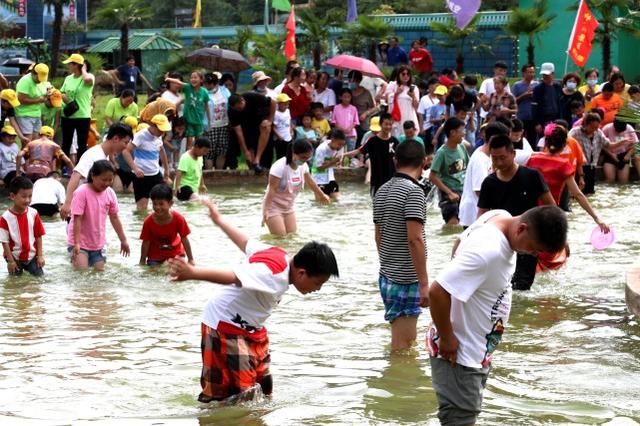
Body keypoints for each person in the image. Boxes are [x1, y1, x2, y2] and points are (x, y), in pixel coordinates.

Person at [167, 199, 339, 403]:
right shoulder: (272, 274)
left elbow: (245, 243)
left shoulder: (280, 255)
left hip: (250, 327)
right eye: (318, 283)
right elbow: (233, 276)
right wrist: (193, 273)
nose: (317, 289)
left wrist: (219, 220)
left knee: (263, 390)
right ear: (302, 273)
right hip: (224, 325)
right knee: (235, 396)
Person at [428, 206, 568, 425]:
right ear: (522, 228)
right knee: (460, 418)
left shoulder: (498, 216)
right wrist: (448, 338)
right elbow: (437, 291)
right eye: (532, 249)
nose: (531, 254)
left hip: (476, 346)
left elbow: (458, 243)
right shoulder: (488, 251)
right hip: (460, 351)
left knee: (465, 413)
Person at [477, 135, 555, 290]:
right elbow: (482, 216)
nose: (498, 163)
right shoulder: (489, 183)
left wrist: (557, 237)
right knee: (502, 286)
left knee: (522, 288)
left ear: (513, 154)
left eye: (503, 158)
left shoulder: (532, 176)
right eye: (494, 158)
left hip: (529, 239)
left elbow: (551, 207)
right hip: (502, 242)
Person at [373, 139, 429, 351]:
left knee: (401, 339)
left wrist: (389, 264)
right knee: (405, 344)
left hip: (387, 275)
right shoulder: (414, 192)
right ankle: (398, 382)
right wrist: (424, 284)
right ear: (424, 161)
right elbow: (414, 239)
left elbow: (378, 236)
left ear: (395, 161)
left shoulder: (382, 190)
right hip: (406, 278)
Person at [527, 124, 610, 234]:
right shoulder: (563, 164)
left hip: (528, 214)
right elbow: (578, 195)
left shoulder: (533, 159)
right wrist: (597, 218)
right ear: (565, 144)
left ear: (545, 142)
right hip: (549, 215)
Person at [60, 123, 133, 219]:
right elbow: (76, 175)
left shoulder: (104, 156)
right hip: (79, 209)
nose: (126, 146)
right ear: (115, 139)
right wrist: (67, 203)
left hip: (89, 208)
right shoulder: (93, 154)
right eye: (125, 142)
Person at [67, 160, 130, 271]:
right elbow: (77, 218)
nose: (107, 183)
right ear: (93, 176)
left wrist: (123, 240)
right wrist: (76, 243)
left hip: (98, 243)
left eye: (110, 180)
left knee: (99, 276)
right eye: (104, 179)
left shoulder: (110, 193)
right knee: (81, 275)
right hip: (79, 242)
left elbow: (114, 218)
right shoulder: (82, 192)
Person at [262, 139, 330, 236]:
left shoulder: (303, 166)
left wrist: (321, 195)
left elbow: (310, 182)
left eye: (308, 158)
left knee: (292, 238)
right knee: (280, 238)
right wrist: (265, 210)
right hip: (273, 207)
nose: (305, 160)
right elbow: (271, 190)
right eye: (302, 157)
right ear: (294, 153)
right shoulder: (279, 166)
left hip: (288, 207)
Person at [122, 114, 172, 212]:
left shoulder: (159, 136)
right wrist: (135, 169)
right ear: (152, 125)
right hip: (141, 177)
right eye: (160, 130)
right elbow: (126, 151)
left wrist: (166, 169)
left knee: (165, 203)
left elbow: (161, 150)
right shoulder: (140, 136)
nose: (162, 133)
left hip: (155, 174)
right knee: (142, 209)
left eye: (163, 130)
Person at [0, 176, 46, 276]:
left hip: (32, 255)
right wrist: (11, 262)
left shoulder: (34, 213)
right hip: (14, 257)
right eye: (24, 196)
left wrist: (40, 255)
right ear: (12, 196)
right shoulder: (5, 218)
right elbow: (4, 242)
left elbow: (38, 235)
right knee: (15, 283)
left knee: (40, 279)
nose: (27, 200)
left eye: (30, 196)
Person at [568, 112, 623, 194]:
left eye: (597, 127)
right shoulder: (575, 132)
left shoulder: (598, 132)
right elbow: (566, 143)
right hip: (579, 167)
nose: (595, 129)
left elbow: (609, 145)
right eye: (593, 127)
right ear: (586, 124)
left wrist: (621, 143)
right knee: (577, 193)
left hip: (592, 167)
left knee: (590, 193)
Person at [140, 184, 194, 266]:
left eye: (161, 204)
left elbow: (184, 238)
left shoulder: (179, 219)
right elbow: (145, 242)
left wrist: (191, 259)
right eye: (154, 204)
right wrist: (142, 261)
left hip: (175, 252)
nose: (157, 207)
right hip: (155, 255)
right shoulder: (148, 222)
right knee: (153, 273)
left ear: (170, 203)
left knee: (177, 270)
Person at [429, 117, 469, 225]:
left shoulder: (461, 147)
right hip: (448, 195)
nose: (464, 134)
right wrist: (450, 193)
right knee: (452, 226)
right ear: (453, 132)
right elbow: (432, 176)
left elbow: (468, 168)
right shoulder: (442, 153)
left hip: (462, 192)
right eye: (462, 131)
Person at [228, 92, 276, 173]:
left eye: (239, 108)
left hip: (260, 121)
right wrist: (245, 151)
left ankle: (258, 158)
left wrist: (270, 120)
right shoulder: (232, 111)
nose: (238, 110)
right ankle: (253, 166)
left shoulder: (252, 97)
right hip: (246, 127)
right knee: (250, 160)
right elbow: (238, 132)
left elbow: (273, 102)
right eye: (236, 109)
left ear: (242, 101)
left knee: (266, 127)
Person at [60, 54, 95, 161]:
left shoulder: (88, 76)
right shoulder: (68, 78)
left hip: (82, 115)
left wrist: (83, 69)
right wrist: (66, 99)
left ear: (76, 65)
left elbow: (88, 80)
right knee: (66, 143)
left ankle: (81, 166)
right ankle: (65, 167)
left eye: (70, 64)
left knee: (82, 144)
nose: (68, 66)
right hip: (68, 115)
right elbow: (62, 92)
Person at [165, 72, 212, 150]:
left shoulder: (204, 92)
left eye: (195, 77)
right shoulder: (188, 88)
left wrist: (210, 121)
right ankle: (188, 158)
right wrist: (168, 78)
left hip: (199, 121)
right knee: (189, 140)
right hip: (188, 120)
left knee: (199, 142)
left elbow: (207, 106)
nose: (193, 79)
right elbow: (178, 82)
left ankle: (197, 159)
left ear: (201, 80)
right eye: (191, 77)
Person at [357, 113, 398, 196]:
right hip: (377, 182)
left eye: (390, 124)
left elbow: (400, 159)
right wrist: (343, 155)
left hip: (391, 181)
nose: (388, 127)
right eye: (386, 124)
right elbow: (359, 151)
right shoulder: (372, 141)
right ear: (380, 124)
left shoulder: (395, 141)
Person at [458, 129, 491, 229]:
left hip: (476, 213)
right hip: (474, 214)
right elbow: (479, 190)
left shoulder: (483, 153)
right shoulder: (480, 160)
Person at [14, 63, 50, 142]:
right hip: (24, 114)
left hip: (37, 114)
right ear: (33, 73)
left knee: (36, 142)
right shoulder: (25, 81)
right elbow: (20, 100)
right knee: (27, 142)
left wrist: (49, 93)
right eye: (39, 78)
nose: (40, 81)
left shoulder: (43, 81)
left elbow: (46, 91)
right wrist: (38, 100)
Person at [203, 72, 231, 170]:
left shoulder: (224, 91)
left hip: (224, 125)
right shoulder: (203, 92)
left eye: (206, 83)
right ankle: (209, 174)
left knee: (222, 151)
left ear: (213, 83)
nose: (205, 85)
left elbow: (230, 103)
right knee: (209, 152)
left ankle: (219, 173)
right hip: (210, 126)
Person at [312, 129, 346, 200]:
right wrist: (333, 161)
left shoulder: (340, 147)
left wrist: (331, 162)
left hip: (330, 178)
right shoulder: (321, 149)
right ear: (332, 140)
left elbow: (338, 162)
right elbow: (319, 168)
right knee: (320, 203)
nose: (340, 147)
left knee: (337, 201)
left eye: (342, 144)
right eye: (339, 144)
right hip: (318, 179)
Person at [386, 65, 420, 138]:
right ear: (399, 75)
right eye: (403, 74)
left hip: (409, 115)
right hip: (396, 117)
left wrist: (413, 96)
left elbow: (417, 106)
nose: (406, 76)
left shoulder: (414, 88)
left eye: (408, 74)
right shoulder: (392, 85)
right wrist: (397, 93)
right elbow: (387, 100)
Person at [511, 64, 539, 148]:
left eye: (533, 72)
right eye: (529, 72)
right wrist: (524, 96)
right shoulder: (517, 85)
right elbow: (512, 101)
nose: (531, 74)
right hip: (521, 117)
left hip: (533, 117)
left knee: (533, 139)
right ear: (523, 73)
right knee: (519, 138)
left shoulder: (537, 85)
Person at [601, 119, 637, 183]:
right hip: (609, 155)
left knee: (623, 181)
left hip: (624, 156)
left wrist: (628, 155)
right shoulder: (607, 128)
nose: (619, 132)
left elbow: (636, 143)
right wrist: (612, 155)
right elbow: (601, 144)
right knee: (610, 180)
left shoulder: (629, 128)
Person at [532, 62, 562, 136]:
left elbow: (560, 103)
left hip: (556, 119)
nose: (545, 77)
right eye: (544, 75)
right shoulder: (538, 89)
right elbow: (534, 107)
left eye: (547, 75)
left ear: (553, 74)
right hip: (543, 120)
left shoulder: (558, 87)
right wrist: (537, 123)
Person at [174, 137, 208, 201]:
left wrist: (202, 184)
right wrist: (177, 188)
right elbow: (179, 172)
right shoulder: (185, 157)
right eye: (204, 151)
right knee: (197, 200)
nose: (205, 153)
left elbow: (200, 171)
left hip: (193, 189)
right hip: (183, 187)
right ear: (197, 147)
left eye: (206, 151)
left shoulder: (200, 157)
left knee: (202, 200)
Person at [332, 88, 359, 152]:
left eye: (348, 97)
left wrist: (349, 128)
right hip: (339, 134)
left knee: (349, 152)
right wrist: (341, 129)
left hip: (351, 135)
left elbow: (356, 121)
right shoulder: (336, 108)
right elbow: (334, 121)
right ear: (340, 97)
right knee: (338, 151)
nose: (347, 99)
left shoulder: (353, 108)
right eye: (344, 97)